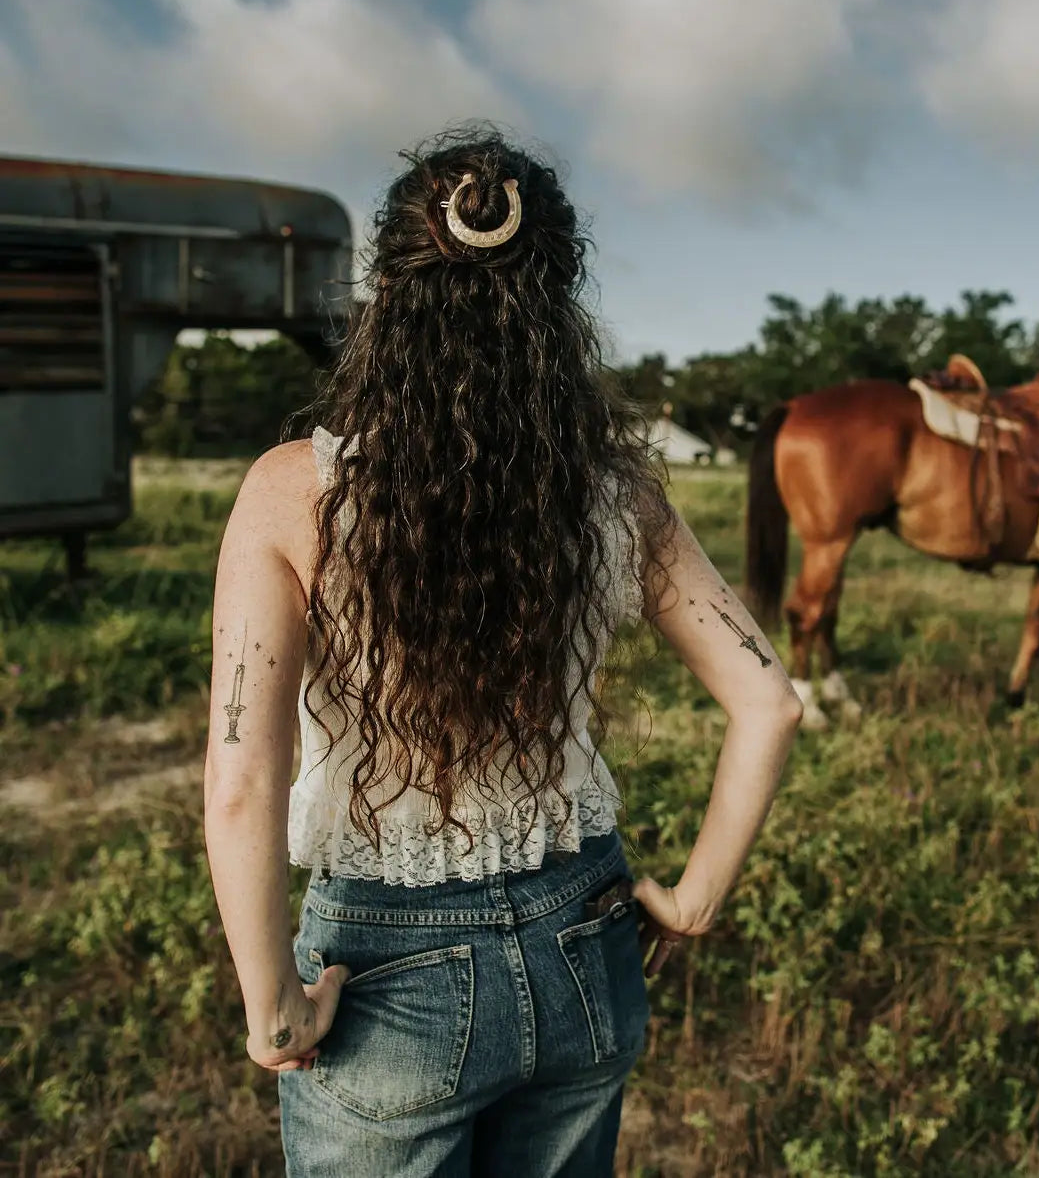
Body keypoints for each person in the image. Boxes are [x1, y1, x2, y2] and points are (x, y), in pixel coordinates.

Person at [202, 125, 804, 1177]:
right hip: (588, 946)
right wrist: (695, 898)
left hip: (386, 975)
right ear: (558, 307)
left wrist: (275, 1008)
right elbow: (771, 702)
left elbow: (242, 776)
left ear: (383, 296)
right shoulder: (619, 496)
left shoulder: (293, 492)